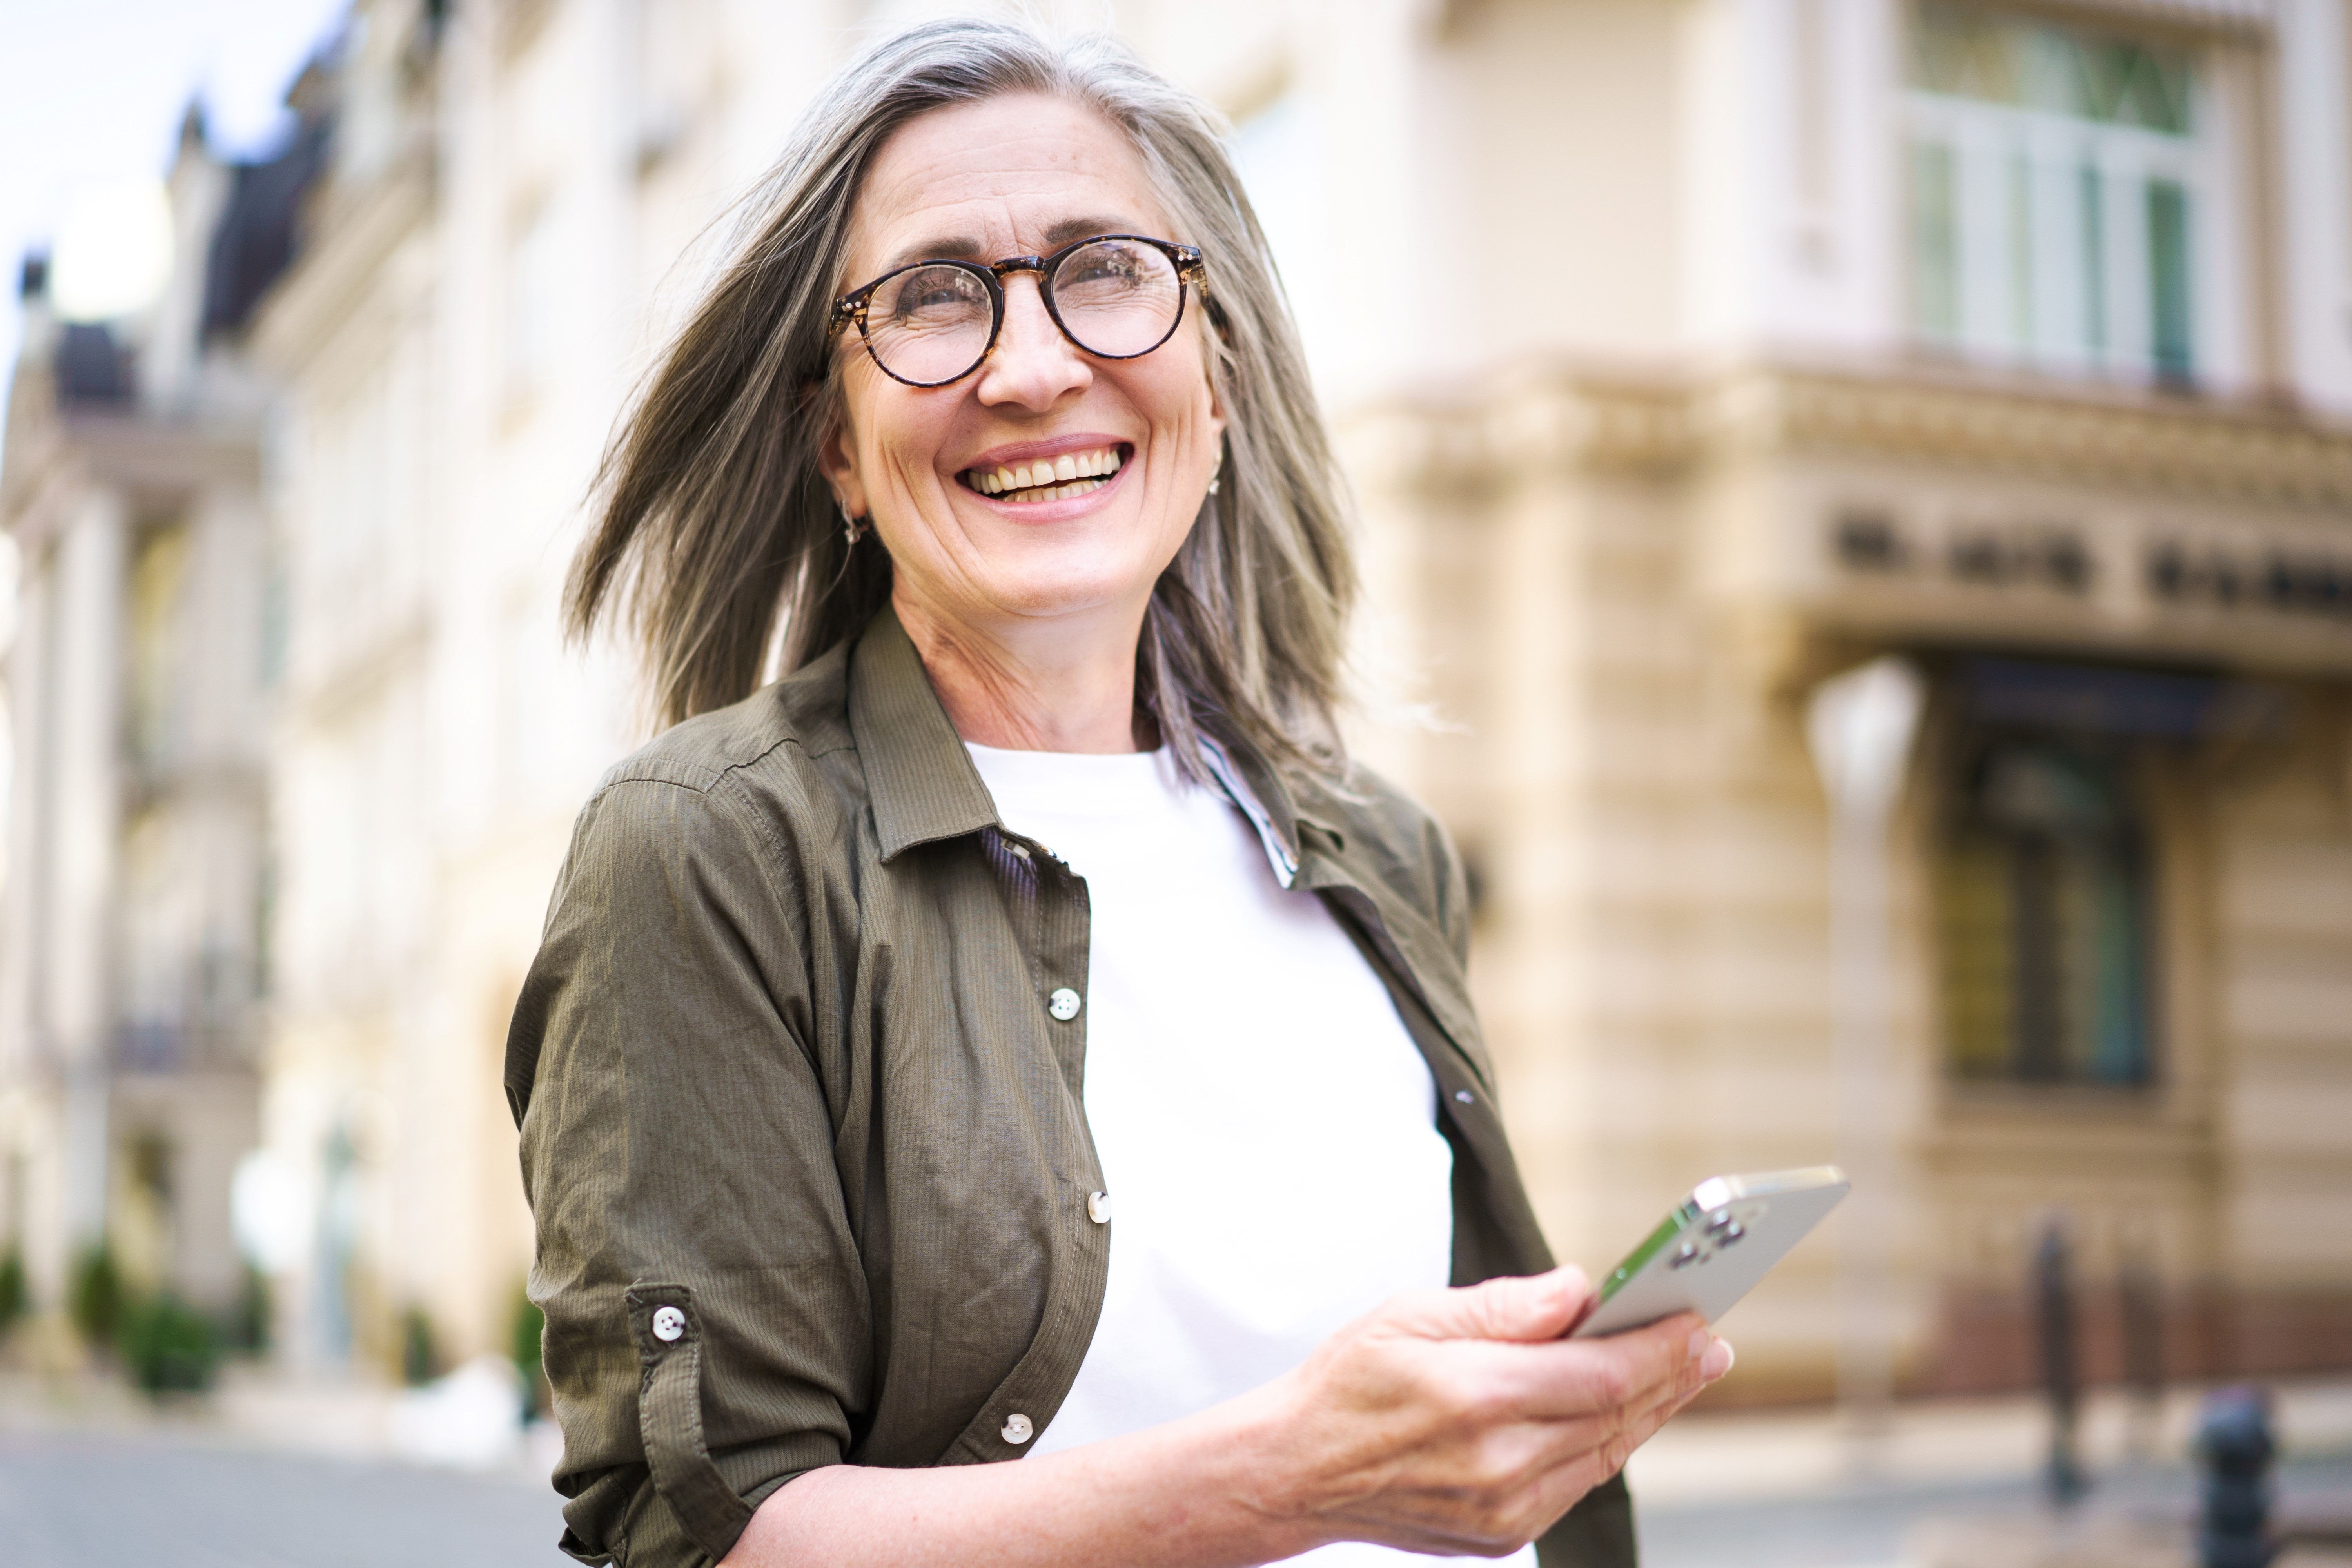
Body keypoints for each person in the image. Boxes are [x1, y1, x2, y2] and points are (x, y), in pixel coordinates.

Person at [506, 19, 1732, 1568]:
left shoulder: (1380, 848)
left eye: (1106, 271)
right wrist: (1288, 1474)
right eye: (934, 295)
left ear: (1215, 389)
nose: (1032, 368)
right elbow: (709, 1536)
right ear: (838, 445)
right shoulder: (707, 851)